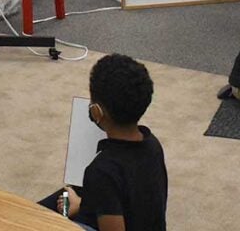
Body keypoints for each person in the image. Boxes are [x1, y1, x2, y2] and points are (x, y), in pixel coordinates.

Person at [40, 54, 167, 231]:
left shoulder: (102, 171)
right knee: (58, 199)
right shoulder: (152, 144)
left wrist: (80, 208)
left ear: (96, 112)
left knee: (31, 220)